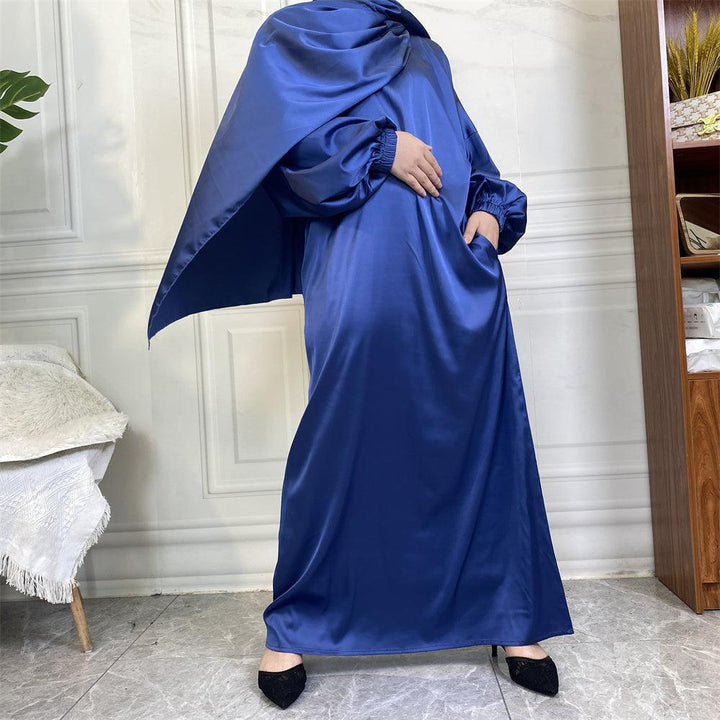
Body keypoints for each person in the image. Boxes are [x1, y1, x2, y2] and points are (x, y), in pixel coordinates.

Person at [147, 0, 574, 710]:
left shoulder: (421, 50)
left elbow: (469, 154)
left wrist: (491, 213)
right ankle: (296, 624)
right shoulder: (291, 38)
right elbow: (282, 158)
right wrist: (380, 148)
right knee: (341, 438)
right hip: (357, 271)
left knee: (477, 434)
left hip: (457, 276)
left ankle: (510, 614)